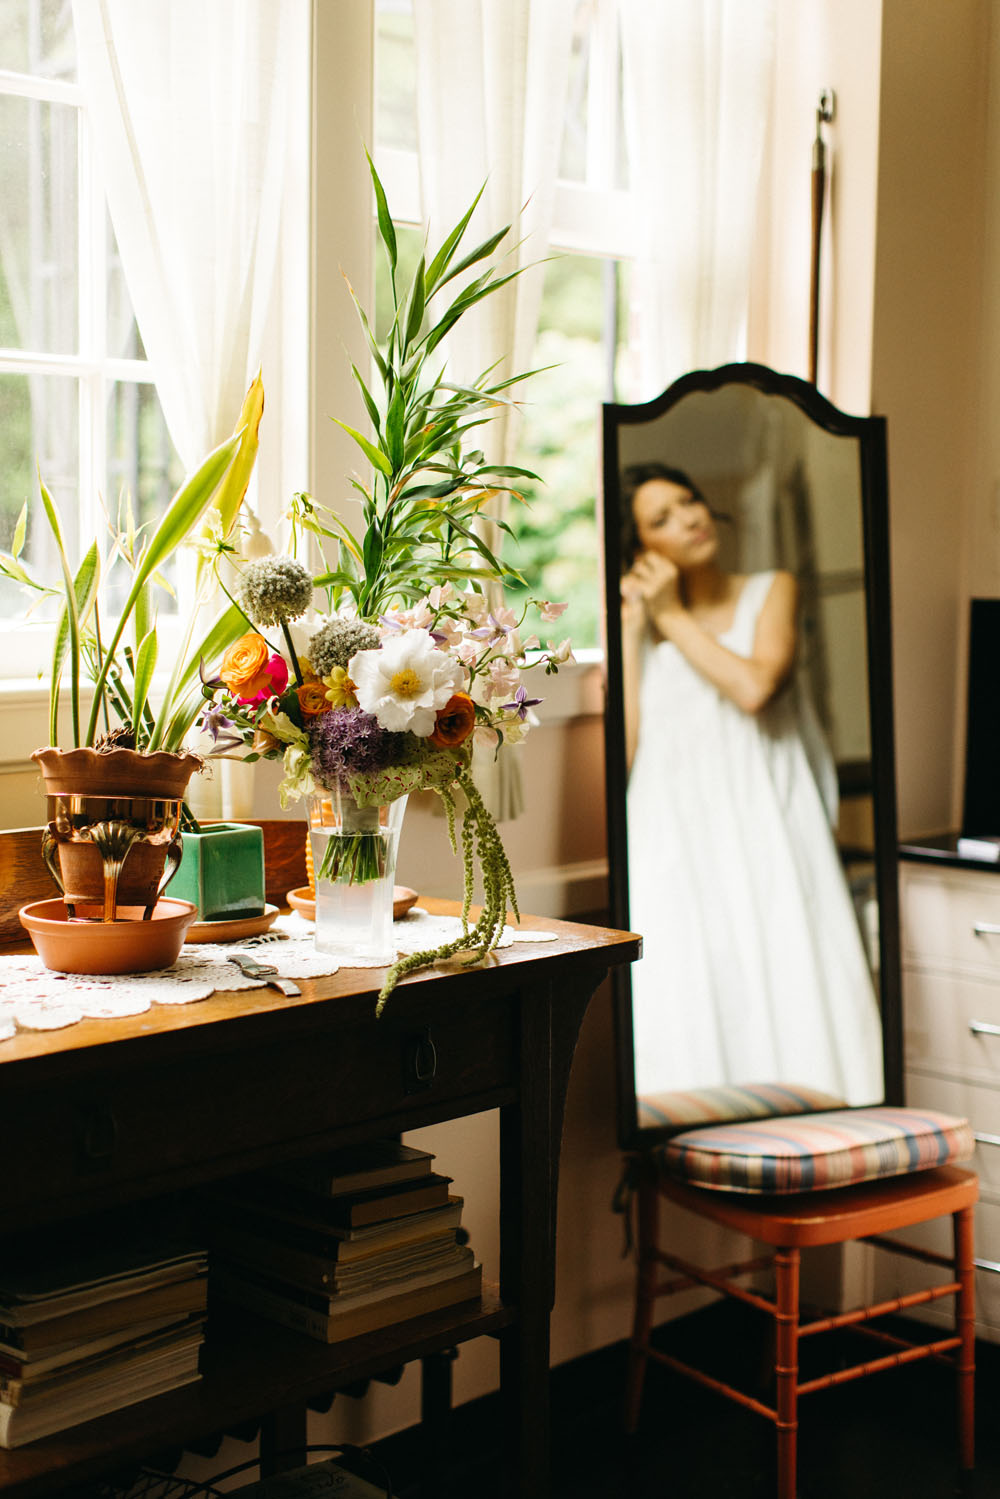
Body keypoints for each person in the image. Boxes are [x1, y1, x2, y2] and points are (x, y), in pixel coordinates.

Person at [620, 461, 884, 1104]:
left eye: (690, 500)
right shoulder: (640, 627)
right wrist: (633, 630)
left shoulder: (772, 589)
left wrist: (672, 616)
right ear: (640, 551)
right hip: (676, 841)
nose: (689, 518)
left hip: (767, 826)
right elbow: (622, 759)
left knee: (791, 969)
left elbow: (754, 688)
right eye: (662, 518)